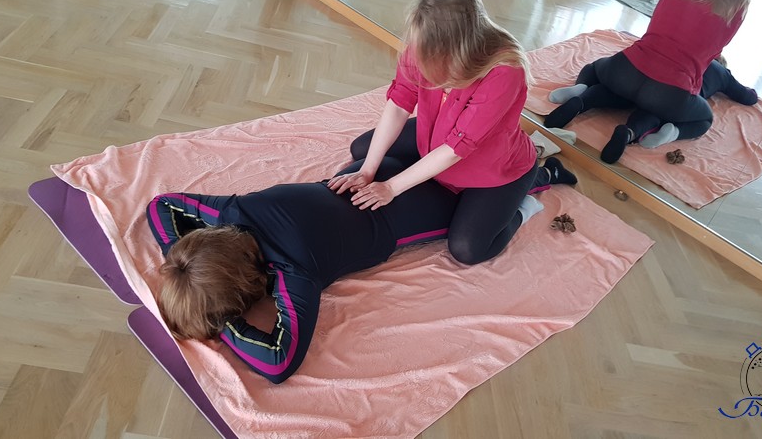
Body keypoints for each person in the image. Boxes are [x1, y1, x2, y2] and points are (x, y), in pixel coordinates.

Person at [146, 156, 568, 383]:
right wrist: (182, 257)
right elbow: (161, 205)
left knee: (472, 245)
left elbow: (277, 364)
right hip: (375, 172)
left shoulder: (295, 269)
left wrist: (222, 325)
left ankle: (536, 178)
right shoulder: (234, 213)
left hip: (414, 209)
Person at [327, 0, 578, 266]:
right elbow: (399, 104)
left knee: (467, 249)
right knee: (363, 150)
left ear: (457, 47)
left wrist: (392, 187)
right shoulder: (423, 44)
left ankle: (539, 181)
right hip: (437, 137)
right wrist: (369, 170)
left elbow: (455, 149)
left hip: (492, 167)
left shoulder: (505, 71)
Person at [543, 0, 751, 163]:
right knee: (703, 119)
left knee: (597, 70)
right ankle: (657, 133)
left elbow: (661, 14)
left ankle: (581, 93)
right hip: (669, 92)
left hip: (626, 68)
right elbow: (719, 48)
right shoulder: (738, 6)